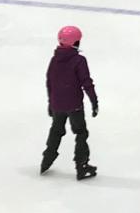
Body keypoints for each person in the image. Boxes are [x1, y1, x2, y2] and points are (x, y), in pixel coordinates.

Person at [41, 26, 99, 179]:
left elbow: (50, 82)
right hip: (74, 105)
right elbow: (86, 82)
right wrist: (94, 101)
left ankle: (47, 159)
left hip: (57, 104)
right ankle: (82, 165)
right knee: (81, 133)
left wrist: (51, 103)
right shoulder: (79, 60)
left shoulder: (55, 59)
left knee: (56, 130)